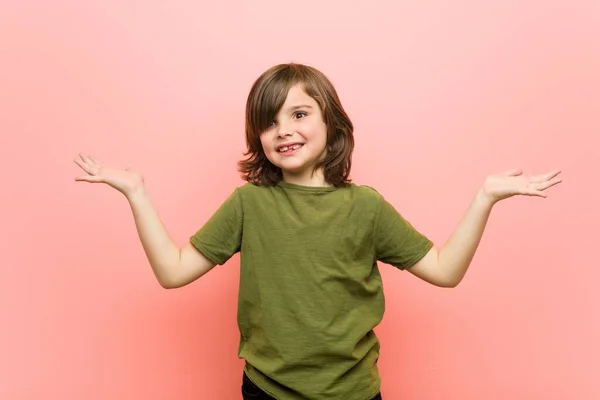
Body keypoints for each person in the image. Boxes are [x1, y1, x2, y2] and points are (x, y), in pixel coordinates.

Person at [73, 63, 562, 400]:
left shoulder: (366, 207)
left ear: (333, 124)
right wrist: (136, 192)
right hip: (265, 391)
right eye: (268, 122)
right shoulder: (249, 204)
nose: (282, 129)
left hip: (353, 392)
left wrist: (485, 198)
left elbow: (445, 270)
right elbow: (173, 272)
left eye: (299, 114)